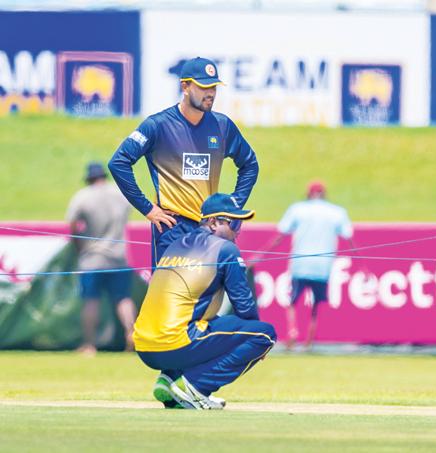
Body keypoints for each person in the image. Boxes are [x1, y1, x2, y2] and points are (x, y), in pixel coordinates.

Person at [108, 57, 259, 268]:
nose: (211, 93)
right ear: (185, 86)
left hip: (210, 228)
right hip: (171, 227)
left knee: (205, 298)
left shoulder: (222, 126)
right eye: (204, 86)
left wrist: (233, 206)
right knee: (170, 297)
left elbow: (250, 165)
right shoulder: (157, 125)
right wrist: (147, 208)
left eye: (214, 86)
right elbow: (118, 162)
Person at [133, 193, 276, 410]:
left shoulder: (175, 244)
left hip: (144, 347)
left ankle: (170, 379)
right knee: (264, 333)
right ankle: (196, 387)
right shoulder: (225, 249)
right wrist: (257, 343)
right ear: (212, 223)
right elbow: (244, 306)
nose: (238, 231)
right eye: (234, 223)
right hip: (175, 344)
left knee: (209, 321)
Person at [268, 181, 354, 350]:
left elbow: (281, 234)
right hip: (323, 264)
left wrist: (263, 252)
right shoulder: (337, 212)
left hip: (300, 262)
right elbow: (348, 236)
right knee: (315, 304)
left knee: (293, 301)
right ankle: (309, 338)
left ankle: (293, 331)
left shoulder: (298, 209)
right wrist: (362, 263)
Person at [66, 162, 136, 355]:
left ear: (89, 179)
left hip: (92, 258)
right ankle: (131, 333)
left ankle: (89, 344)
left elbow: (72, 225)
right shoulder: (120, 195)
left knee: (91, 300)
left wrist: (78, 247)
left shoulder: (83, 197)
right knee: (123, 299)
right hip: (119, 256)